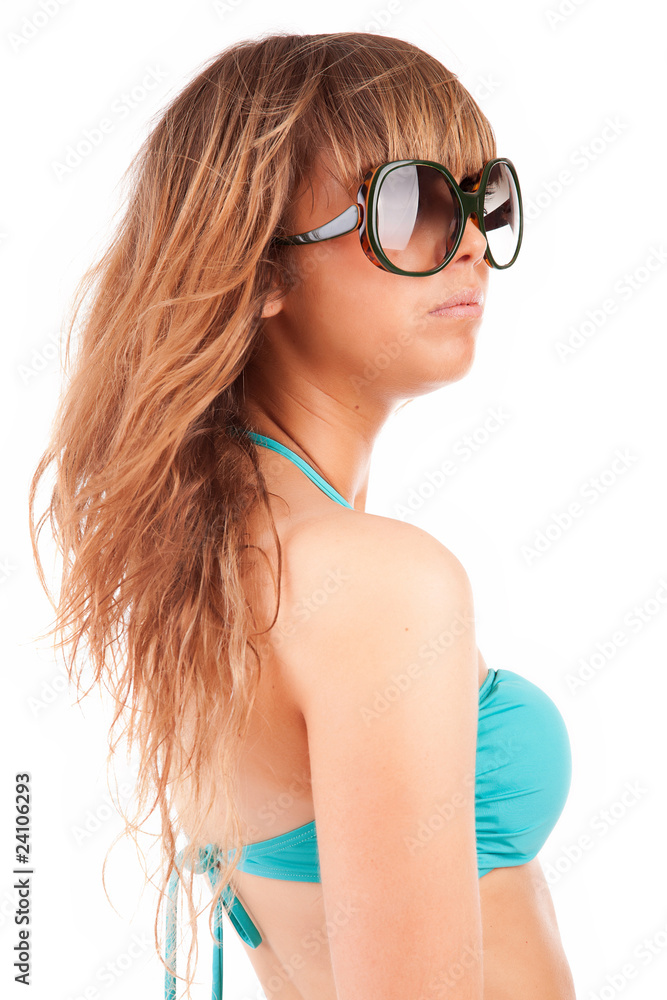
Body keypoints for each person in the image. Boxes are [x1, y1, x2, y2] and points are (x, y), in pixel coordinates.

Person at [29, 31, 576, 1000]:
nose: (468, 245)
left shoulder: (219, 557)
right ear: (263, 270)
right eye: (408, 203)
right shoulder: (372, 581)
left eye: (481, 197)